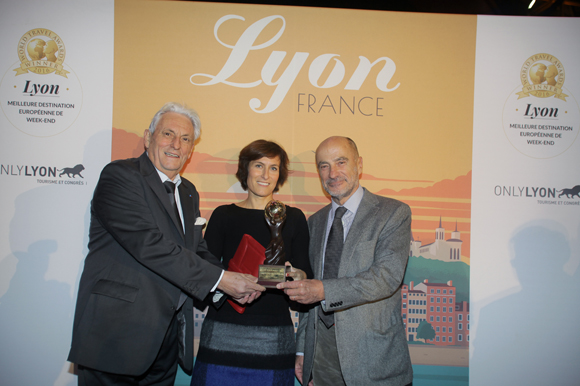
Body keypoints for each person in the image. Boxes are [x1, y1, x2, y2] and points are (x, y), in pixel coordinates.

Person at [67, 102, 264, 386]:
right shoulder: (120, 176)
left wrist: (226, 289)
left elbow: (195, 249)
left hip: (166, 341)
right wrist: (222, 279)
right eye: (168, 134)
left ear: (191, 150)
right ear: (149, 138)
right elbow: (149, 245)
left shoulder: (188, 192)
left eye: (185, 139)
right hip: (116, 335)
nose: (176, 144)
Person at [278, 136, 413, 386]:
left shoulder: (393, 213)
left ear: (359, 164)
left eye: (341, 162)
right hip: (320, 358)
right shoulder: (315, 222)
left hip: (372, 356)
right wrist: (302, 350)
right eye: (324, 165)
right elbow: (310, 289)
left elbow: (386, 277)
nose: (332, 173)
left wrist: (323, 290)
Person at [191, 140, 313, 386]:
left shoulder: (295, 218)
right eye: (259, 165)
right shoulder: (223, 215)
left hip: (274, 336)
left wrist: (297, 277)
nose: (266, 175)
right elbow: (204, 276)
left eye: (274, 168)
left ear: (281, 175)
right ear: (245, 169)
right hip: (223, 333)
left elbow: (306, 280)